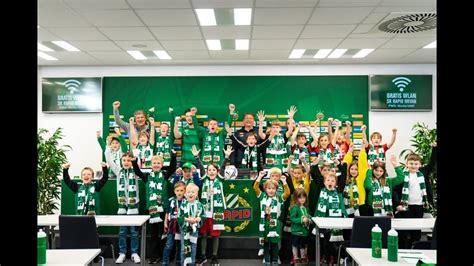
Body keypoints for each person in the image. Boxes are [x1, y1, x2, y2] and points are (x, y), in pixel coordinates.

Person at [131, 152, 177, 264]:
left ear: (161, 165)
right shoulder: (147, 177)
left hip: (163, 209)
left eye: (158, 163)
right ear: (151, 164)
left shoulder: (165, 175)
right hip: (151, 210)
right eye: (154, 163)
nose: (156, 165)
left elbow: (172, 168)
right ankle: (154, 255)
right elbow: (137, 171)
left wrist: (174, 156)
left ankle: (165, 255)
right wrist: (134, 161)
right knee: (153, 234)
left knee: (164, 232)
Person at [393, 143, 437, 248]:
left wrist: (434, 149)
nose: (413, 165)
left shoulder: (423, 173)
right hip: (406, 207)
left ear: (420, 165)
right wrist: (397, 205)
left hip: (419, 206)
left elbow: (432, 163)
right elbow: (395, 191)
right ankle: (404, 250)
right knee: (405, 231)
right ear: (407, 164)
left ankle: (415, 248)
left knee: (416, 231)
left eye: (416, 164)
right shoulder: (403, 175)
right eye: (411, 163)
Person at [106, 150, 141, 264]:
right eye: (124, 160)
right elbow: (110, 160)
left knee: (134, 231)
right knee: (122, 231)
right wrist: (107, 146)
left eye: (129, 160)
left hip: (133, 203)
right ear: (121, 161)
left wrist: (135, 159)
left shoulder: (135, 171)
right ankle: (122, 253)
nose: (126, 162)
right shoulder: (118, 171)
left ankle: (134, 253)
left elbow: (137, 164)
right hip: (122, 204)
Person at [253, 171, 290, 265]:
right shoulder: (262, 197)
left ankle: (274, 260)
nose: (271, 190)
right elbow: (255, 187)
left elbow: (288, 192)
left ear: (276, 189)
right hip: (264, 223)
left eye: (273, 188)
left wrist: (284, 182)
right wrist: (260, 176)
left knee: (274, 244)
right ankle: (266, 260)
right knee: (265, 243)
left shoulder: (279, 198)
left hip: (275, 223)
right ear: (265, 189)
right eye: (269, 188)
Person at [314, 172, 347, 265]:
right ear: (324, 182)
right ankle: (328, 261)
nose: (330, 182)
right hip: (324, 222)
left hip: (336, 221)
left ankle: (338, 259)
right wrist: (315, 165)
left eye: (333, 181)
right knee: (326, 243)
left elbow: (343, 179)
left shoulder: (338, 191)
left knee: (336, 243)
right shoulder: (322, 191)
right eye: (328, 180)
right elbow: (316, 176)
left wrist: (342, 165)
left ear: (335, 183)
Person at [178, 183, 206, 266]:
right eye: (189, 192)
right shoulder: (183, 204)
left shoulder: (200, 205)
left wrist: (198, 219)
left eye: (193, 192)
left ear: (196, 194)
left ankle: (192, 263)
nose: (191, 194)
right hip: (185, 230)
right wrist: (186, 219)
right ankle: (183, 263)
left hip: (194, 230)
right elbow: (179, 216)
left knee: (193, 247)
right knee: (184, 248)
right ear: (186, 194)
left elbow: (203, 215)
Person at [162, 181, 186, 266]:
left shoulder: (186, 201)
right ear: (174, 191)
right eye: (177, 190)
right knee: (169, 245)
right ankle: (165, 262)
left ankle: (179, 262)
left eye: (181, 190)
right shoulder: (171, 200)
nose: (179, 192)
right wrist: (165, 223)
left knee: (180, 245)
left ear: (185, 191)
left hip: (181, 225)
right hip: (172, 224)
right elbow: (167, 213)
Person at [289, 188, 311, 265]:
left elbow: (308, 216)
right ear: (296, 198)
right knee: (295, 245)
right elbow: (292, 218)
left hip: (304, 231)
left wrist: (309, 218)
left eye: (303, 197)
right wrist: (301, 220)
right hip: (296, 231)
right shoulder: (295, 207)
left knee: (303, 245)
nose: (302, 199)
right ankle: (295, 257)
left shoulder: (306, 207)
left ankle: (303, 257)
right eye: (300, 197)